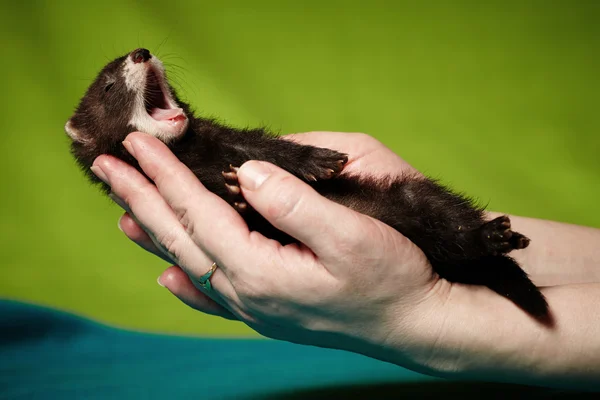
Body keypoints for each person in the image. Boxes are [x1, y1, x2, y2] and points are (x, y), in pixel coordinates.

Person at [90, 131, 600, 391]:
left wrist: (426, 315)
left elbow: (271, 154)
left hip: (384, 206)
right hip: (384, 227)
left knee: (419, 205)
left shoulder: (212, 138)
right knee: (433, 217)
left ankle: (486, 242)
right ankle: (485, 243)